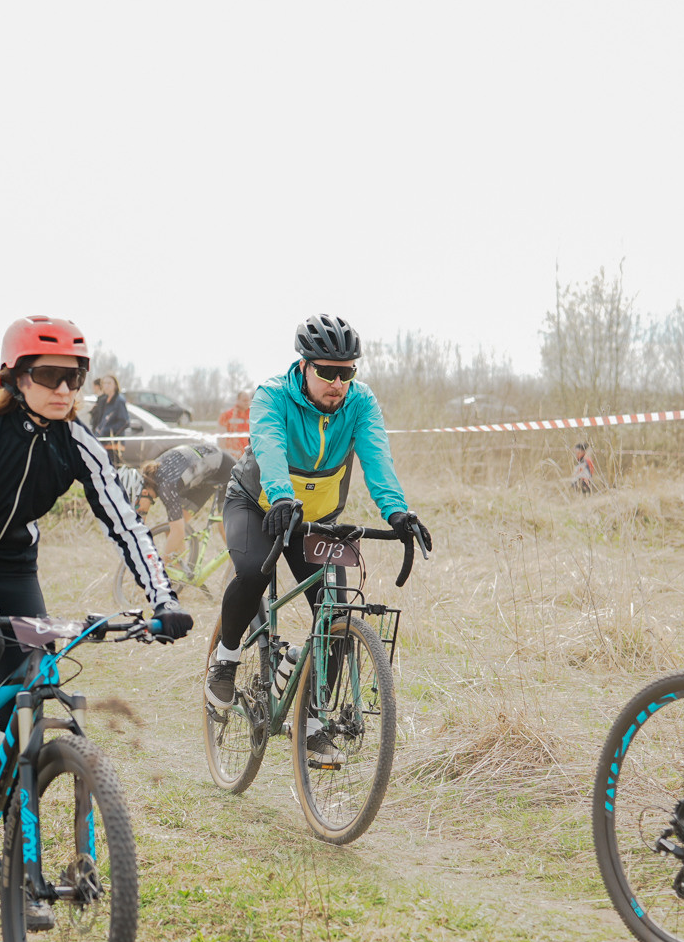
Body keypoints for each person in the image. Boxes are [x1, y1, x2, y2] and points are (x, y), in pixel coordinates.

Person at [0, 316, 189, 821]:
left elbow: (125, 522)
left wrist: (164, 597)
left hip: (13, 569)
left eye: (74, 377)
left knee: (30, 692)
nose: (64, 389)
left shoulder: (77, 440)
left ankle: (13, 851)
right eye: (49, 375)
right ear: (16, 376)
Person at [204, 315, 432, 767]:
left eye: (346, 372)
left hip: (318, 518)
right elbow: (269, 446)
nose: (337, 382)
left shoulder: (361, 403)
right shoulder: (273, 395)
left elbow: (376, 457)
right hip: (258, 503)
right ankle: (226, 660)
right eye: (327, 372)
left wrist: (397, 511)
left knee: (336, 613)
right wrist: (283, 497)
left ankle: (309, 721)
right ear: (304, 366)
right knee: (252, 572)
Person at [150, 436, 234, 564]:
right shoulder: (159, 480)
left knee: (223, 525)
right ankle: (180, 572)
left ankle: (238, 567)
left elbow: (177, 531)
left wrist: (159, 568)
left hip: (225, 469)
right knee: (172, 529)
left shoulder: (166, 484)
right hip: (205, 476)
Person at [88, 374, 132, 460]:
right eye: (104, 383)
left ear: (115, 385)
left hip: (113, 444)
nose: (106, 385)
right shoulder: (104, 400)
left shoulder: (119, 400)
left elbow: (124, 422)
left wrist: (107, 431)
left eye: (109, 383)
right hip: (101, 443)